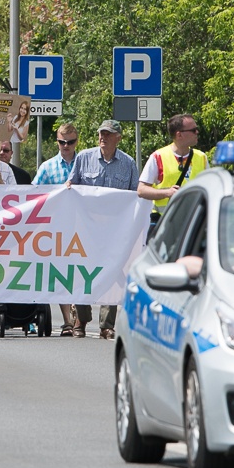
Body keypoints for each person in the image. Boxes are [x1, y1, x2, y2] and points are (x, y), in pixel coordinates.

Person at [66, 120, 140, 340]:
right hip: (86, 229)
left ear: (118, 137)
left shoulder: (128, 164)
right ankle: (81, 318)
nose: (103, 137)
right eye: (101, 133)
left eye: (108, 134)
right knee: (82, 274)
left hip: (114, 230)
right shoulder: (83, 158)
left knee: (111, 274)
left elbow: (135, 195)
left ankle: (107, 325)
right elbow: (70, 187)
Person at [35, 122, 80, 334]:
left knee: (81, 272)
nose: (66, 146)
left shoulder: (86, 163)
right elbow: (33, 195)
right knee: (62, 272)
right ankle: (67, 322)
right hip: (57, 228)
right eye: (62, 142)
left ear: (76, 141)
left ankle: (80, 318)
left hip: (83, 226)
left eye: (70, 142)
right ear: (57, 141)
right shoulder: (47, 167)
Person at [138, 114, 208, 242]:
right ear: (179, 134)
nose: (197, 132)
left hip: (193, 223)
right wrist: (167, 192)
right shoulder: (158, 156)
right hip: (164, 223)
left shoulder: (201, 157)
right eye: (193, 130)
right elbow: (141, 190)